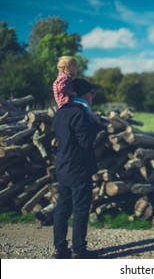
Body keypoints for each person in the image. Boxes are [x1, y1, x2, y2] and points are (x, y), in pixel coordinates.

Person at [52, 78, 100, 259]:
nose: (93, 96)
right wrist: (95, 124)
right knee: (80, 210)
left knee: (62, 210)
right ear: (84, 94)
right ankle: (79, 250)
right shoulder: (80, 113)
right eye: (91, 93)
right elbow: (86, 142)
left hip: (63, 166)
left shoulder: (60, 112)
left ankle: (59, 249)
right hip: (79, 169)